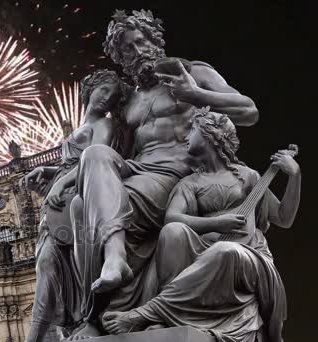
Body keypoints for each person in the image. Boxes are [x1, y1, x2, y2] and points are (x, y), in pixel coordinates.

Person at [67, 9, 259, 339]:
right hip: (137, 171)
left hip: (176, 174)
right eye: (127, 49)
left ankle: (109, 297)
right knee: (85, 185)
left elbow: (248, 111)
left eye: (141, 41)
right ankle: (110, 270)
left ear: (156, 41)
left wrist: (196, 94)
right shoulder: (127, 102)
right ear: (121, 60)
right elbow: (95, 138)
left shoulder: (194, 72)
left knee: (88, 208)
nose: (137, 51)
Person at [101, 108, 300, 342]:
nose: (186, 137)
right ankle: (169, 317)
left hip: (247, 257)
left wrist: (294, 176)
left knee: (225, 251)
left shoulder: (248, 177)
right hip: (205, 252)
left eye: (192, 129)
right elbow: (172, 218)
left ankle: (146, 312)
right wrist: (217, 222)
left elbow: (284, 218)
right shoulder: (190, 183)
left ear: (210, 134)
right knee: (173, 232)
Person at [22, 70, 130, 342]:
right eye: (103, 90)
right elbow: (70, 161)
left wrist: (59, 183)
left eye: (113, 96)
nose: (106, 98)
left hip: (79, 192)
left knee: (68, 262)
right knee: (46, 264)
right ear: (89, 89)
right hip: (58, 200)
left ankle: (84, 318)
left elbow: (93, 158)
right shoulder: (84, 125)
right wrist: (47, 171)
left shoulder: (104, 126)